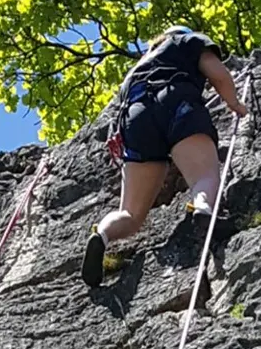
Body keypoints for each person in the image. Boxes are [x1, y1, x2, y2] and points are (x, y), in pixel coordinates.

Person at [82, 25, 247, 287]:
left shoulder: (134, 72)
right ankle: (204, 210)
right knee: (204, 174)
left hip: (135, 119)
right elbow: (219, 74)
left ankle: (102, 234)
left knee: (131, 213)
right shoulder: (185, 41)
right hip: (176, 100)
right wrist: (235, 104)